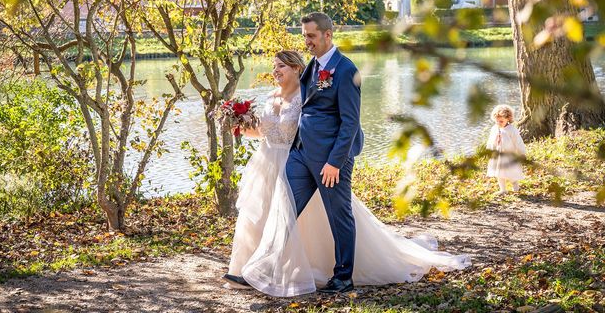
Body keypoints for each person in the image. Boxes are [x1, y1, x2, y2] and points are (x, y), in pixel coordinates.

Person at [224, 15, 470, 297]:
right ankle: (260, 269)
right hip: (300, 154)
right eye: (305, 36)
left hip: (330, 159)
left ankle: (343, 277)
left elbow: (350, 123)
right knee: (284, 208)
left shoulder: (346, 70)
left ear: (328, 35)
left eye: (311, 36)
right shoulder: (311, 68)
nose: (307, 41)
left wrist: (335, 162)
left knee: (339, 216)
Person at [486, 104, 526, 194]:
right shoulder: (494, 128)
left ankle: (516, 189)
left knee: (512, 172)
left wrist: (522, 153)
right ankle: (503, 189)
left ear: (508, 119)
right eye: (497, 121)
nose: (498, 123)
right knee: (498, 172)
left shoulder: (512, 130)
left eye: (501, 121)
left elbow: (518, 142)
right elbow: (490, 141)